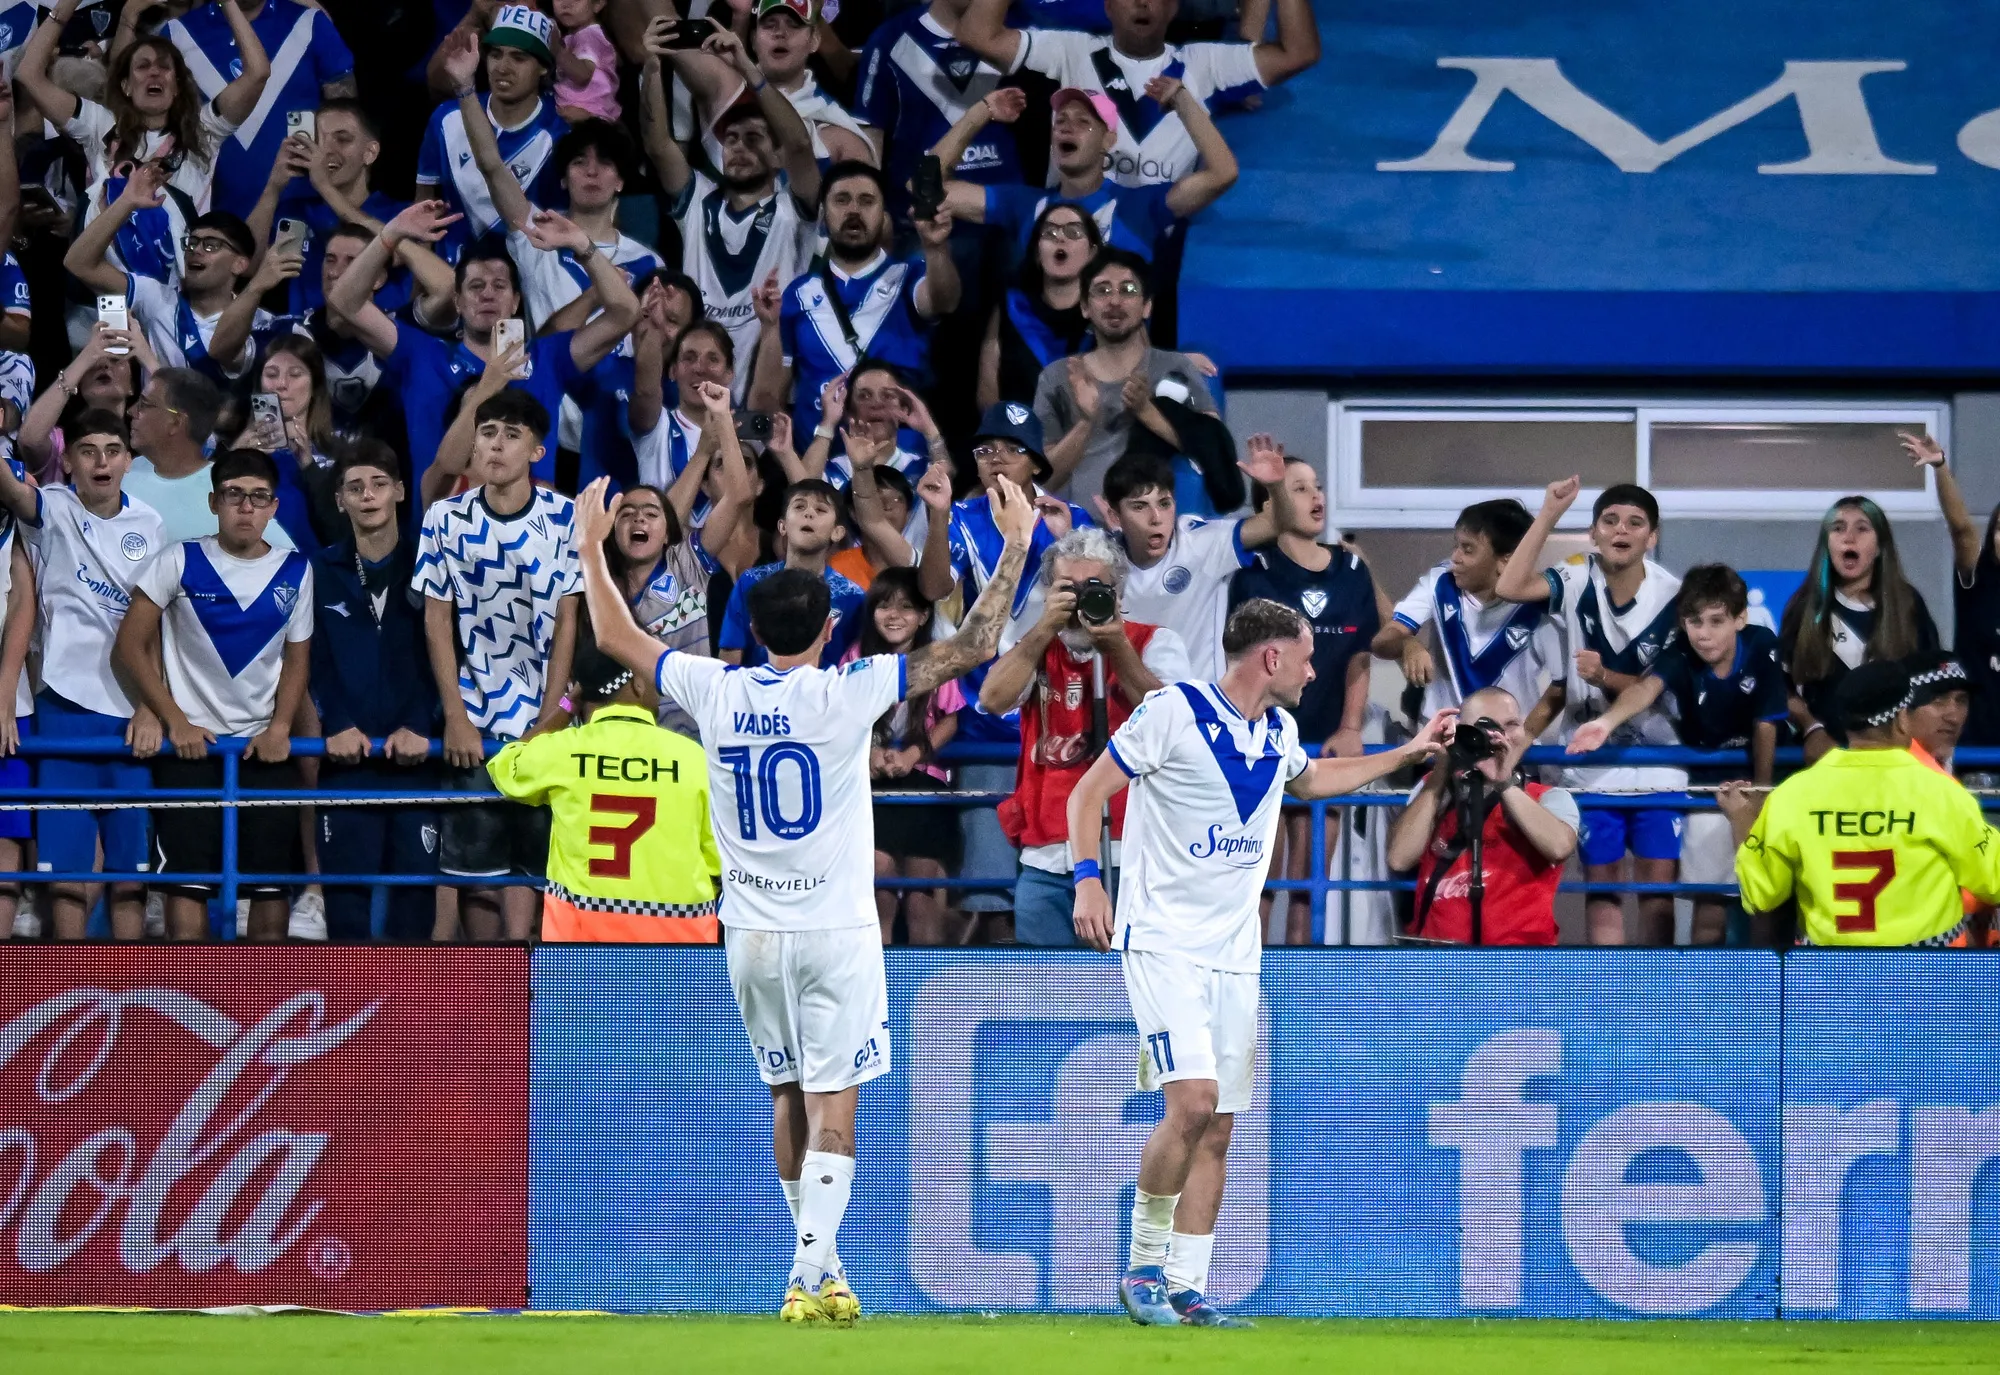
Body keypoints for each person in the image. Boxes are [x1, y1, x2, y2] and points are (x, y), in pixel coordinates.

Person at [572, 470, 1039, 1325]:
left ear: (749, 629)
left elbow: (611, 629)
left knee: (786, 1094)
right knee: (836, 1104)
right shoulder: (849, 688)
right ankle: (807, 1271)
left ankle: (817, 1268)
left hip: (749, 930)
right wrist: (1014, 543)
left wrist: (588, 548)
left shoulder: (715, 686)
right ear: (833, 627)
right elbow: (971, 646)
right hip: (835, 928)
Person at [1065, 599, 1452, 1327]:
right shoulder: (1170, 711)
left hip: (1236, 955)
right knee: (1193, 1102)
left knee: (1219, 1126)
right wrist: (1089, 876)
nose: (1314, 671)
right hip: (1163, 943)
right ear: (1272, 658)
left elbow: (1311, 781)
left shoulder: (1278, 731)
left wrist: (1410, 752)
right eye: (1307, 657)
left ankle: (1187, 1288)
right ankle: (1142, 1268)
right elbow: (1089, 792)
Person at [115, 448, 312, 942]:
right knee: (188, 885)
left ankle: (266, 1008)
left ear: (274, 507)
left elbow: (297, 661)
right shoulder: (178, 558)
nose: (246, 507)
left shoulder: (297, 570)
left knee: (271, 887)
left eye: (258, 497)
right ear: (213, 502)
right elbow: (130, 644)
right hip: (190, 750)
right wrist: (173, 718)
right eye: (233, 495)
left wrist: (281, 727)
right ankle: (194, 1010)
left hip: (264, 751)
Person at [413, 391, 580, 942]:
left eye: (511, 434)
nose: (496, 444)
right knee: (472, 878)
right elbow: (437, 620)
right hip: (475, 725)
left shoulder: (566, 519)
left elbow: (568, 623)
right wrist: (457, 717)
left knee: (537, 883)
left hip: (547, 727)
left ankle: (536, 1007)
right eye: (487, 432)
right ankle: (485, 1010)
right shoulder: (445, 518)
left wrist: (550, 722)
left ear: (537, 450)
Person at [328, 200, 638, 498]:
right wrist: (391, 233)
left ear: (516, 301)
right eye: (476, 286)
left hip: (530, 539)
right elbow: (345, 302)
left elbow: (625, 312)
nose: (488, 294)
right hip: (441, 539)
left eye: (499, 286)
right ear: (458, 302)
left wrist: (582, 245)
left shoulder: (546, 359)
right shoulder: (421, 355)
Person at [980, 525, 1192, 945]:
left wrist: (1116, 647)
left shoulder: (1154, 643)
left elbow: (1171, 717)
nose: (1080, 600)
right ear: (1047, 591)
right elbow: (992, 699)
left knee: (1125, 992)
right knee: (1049, 997)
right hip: (1046, 856)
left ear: (1119, 593)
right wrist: (1043, 629)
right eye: (1068, 588)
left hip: (1129, 853)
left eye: (1095, 588)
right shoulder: (1034, 647)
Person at [1497, 477, 1684, 947]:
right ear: (1594, 533)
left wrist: (1604, 678)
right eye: (1610, 520)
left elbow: (1662, 689)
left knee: (1658, 896)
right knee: (1603, 894)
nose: (1622, 530)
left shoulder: (1675, 597)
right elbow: (1510, 584)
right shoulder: (1577, 576)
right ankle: (1610, 1007)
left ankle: (1657, 1007)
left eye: (1636, 522)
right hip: (1590, 770)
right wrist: (1547, 515)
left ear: (1653, 537)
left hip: (1658, 765)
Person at [0, 408, 162, 941]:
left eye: (112, 451)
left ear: (129, 462)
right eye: (87, 451)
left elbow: (157, 627)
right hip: (63, 711)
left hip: (130, 718)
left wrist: (149, 706)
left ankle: (135, 1005)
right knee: (65, 871)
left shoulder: (151, 525)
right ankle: (72, 985)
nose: (101, 461)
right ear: (67, 461)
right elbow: (12, 487)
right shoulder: (50, 508)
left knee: (130, 875)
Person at [1566, 565, 1788, 946]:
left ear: (1740, 619)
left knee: (1768, 902)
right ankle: (1703, 994)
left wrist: (1762, 790)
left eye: (1717, 621)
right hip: (1711, 785)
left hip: (1762, 782)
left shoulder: (1762, 644)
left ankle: (1765, 990)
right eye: (1694, 621)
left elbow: (1766, 724)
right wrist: (1605, 723)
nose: (1704, 633)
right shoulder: (1682, 652)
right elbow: (1646, 689)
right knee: (1710, 900)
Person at [1721, 660, 2000, 948]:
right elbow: (1994, 879)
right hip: (1925, 976)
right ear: (1903, 718)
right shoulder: (1941, 793)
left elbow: (1761, 895)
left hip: (1828, 975)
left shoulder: (1794, 793)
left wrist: (1742, 819)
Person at [1229, 455, 1385, 943]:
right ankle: (1250, 995)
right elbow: (1245, 664)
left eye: (1316, 486)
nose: (1316, 497)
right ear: (1270, 502)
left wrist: (1352, 727)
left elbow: (1361, 656)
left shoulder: (1352, 569)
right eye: (1298, 489)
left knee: (1309, 885)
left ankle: (1299, 1000)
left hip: (1326, 749)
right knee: (1259, 882)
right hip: (1266, 745)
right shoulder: (1252, 573)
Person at [488, 628, 722, 942]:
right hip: (679, 952)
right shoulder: (694, 760)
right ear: (637, 683)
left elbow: (506, 766)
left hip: (580, 951)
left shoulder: (565, 752)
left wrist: (567, 708)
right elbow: (718, 860)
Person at [21, 0, 271, 282]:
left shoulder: (204, 131)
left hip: (174, 294)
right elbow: (29, 75)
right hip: (102, 288)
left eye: (164, 67)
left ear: (177, 86)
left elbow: (258, 73)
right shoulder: (98, 124)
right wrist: (68, 4)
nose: (154, 72)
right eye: (142, 66)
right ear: (125, 86)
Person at [640, 24, 820, 384]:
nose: (738, 147)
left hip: (765, 383)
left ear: (777, 157)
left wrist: (747, 68)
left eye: (753, 139)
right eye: (731, 139)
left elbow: (800, 144)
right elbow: (658, 145)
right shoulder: (699, 202)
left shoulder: (793, 210)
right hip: (693, 379)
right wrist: (652, 67)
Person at [311, 443, 441, 942]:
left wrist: (421, 724)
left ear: (400, 492)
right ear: (341, 500)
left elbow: (445, 655)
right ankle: (348, 1019)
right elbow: (313, 660)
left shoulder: (432, 564)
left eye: (379, 484)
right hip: (347, 761)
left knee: (414, 909)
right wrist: (335, 721)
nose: (368, 496)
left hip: (417, 761)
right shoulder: (321, 570)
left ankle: (409, 1022)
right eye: (355, 487)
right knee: (345, 911)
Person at [755, 162, 959, 438]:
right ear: (824, 215)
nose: (854, 210)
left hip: (899, 463)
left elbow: (943, 301)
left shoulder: (909, 276)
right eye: (842, 200)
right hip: (819, 464)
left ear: (883, 215)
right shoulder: (798, 294)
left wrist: (935, 247)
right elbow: (770, 395)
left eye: (867, 201)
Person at [935, 82, 1236, 263]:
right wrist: (981, 112)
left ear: (1108, 140)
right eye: (1061, 120)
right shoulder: (1023, 204)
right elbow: (925, 187)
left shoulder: (1139, 206)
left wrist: (1182, 100)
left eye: (1083, 122)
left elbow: (1223, 173)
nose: (1066, 126)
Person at [1387, 686, 1581, 946]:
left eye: (1511, 725)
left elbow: (1558, 847)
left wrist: (1504, 783)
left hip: (1520, 963)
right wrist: (1443, 767)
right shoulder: (1433, 789)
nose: (1498, 736)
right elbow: (1400, 858)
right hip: (1441, 961)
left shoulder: (1549, 798)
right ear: (1460, 733)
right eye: (1484, 727)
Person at [1780, 462, 1946, 761]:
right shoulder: (1802, 608)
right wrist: (1811, 728)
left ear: (1881, 545)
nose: (1849, 538)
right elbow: (1783, 688)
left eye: (1862, 529)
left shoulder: (1908, 606)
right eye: (1838, 529)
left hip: (1894, 759)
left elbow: (1930, 685)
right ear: (1826, 543)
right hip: (1827, 762)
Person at [1095, 438, 1290, 683]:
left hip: (1200, 708)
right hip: (1131, 708)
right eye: (1139, 507)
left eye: (1164, 504)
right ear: (1115, 515)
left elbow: (1277, 524)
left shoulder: (1201, 544)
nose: (1156, 518)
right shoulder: (1102, 560)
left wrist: (1276, 488)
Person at [1032, 250, 1218, 502]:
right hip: (1077, 533)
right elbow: (1043, 481)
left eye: (1128, 290)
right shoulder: (1055, 378)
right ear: (1085, 306)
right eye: (1103, 290)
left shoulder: (1176, 368)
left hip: (1154, 530)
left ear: (1147, 306)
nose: (1115, 301)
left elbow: (1215, 449)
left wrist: (1146, 413)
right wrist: (1086, 422)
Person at [848, 568, 963, 945]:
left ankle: (931, 1003)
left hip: (924, 788)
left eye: (906, 607)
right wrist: (868, 753)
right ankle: (876, 1002)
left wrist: (913, 754)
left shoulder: (937, 660)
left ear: (924, 616)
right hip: (870, 790)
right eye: (883, 606)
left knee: (921, 899)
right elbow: (839, 716)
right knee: (878, 895)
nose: (894, 615)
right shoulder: (854, 658)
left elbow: (950, 721)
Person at [1375, 498, 1561, 724]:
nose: (1455, 557)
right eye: (1456, 545)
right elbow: (1382, 641)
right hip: (1443, 741)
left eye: (1468, 549)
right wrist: (1408, 645)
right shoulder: (1440, 582)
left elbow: (1563, 684)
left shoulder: (1542, 603)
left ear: (1506, 559)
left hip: (1511, 742)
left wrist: (1526, 736)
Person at [165, 0, 356, 221]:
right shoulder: (177, 34)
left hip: (302, 208)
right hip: (208, 215)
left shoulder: (309, 22)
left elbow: (347, 119)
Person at [64, 194, 275, 385]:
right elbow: (79, 263)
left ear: (239, 264)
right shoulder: (157, 298)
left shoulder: (261, 323)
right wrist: (128, 200)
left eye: (211, 245)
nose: (196, 251)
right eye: (191, 243)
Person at [414, 4, 570, 261]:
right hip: (449, 275)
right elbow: (423, 211)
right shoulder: (445, 119)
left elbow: (561, 228)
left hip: (523, 281)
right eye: (496, 54)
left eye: (519, 58)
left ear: (543, 67)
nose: (502, 67)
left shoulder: (560, 137)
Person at [248, 98, 413, 317]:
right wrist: (273, 187)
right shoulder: (295, 211)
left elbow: (402, 255)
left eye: (342, 139)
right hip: (306, 340)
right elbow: (246, 266)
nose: (325, 150)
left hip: (378, 338)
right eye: (318, 140)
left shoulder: (401, 214)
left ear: (370, 153)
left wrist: (325, 186)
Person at [661, 0, 874, 169]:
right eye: (769, 24)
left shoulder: (836, 130)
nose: (780, 33)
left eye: (794, 24)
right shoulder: (725, 92)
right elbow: (664, 25)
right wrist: (741, 16)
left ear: (814, 40)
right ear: (753, 40)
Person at [606, 482, 727, 739]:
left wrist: (712, 444)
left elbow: (739, 496)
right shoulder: (600, 591)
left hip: (696, 736)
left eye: (651, 514)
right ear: (613, 531)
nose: (638, 517)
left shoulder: (687, 564)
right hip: (626, 737)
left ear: (666, 534)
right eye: (626, 514)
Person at [717, 479, 867, 668]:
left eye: (820, 510)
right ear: (782, 526)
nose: (808, 513)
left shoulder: (853, 596)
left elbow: (855, 663)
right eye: (799, 507)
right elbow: (730, 651)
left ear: (837, 532)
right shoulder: (752, 582)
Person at [549, 0, 621, 124]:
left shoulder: (590, 36)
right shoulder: (573, 37)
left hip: (590, 118)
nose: (566, 3)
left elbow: (582, 74)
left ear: (598, 4)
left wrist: (556, 49)